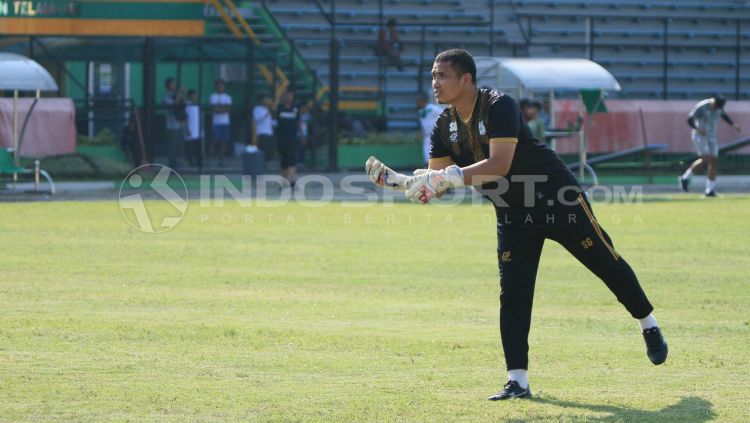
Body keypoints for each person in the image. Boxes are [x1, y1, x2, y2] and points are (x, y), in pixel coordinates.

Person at [365, 49, 667, 401]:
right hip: (512, 213)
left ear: (467, 79)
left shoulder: (499, 105)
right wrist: (407, 183)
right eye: (433, 76)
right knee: (514, 295)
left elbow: (499, 164)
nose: (435, 83)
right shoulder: (442, 125)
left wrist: (444, 178)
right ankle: (517, 381)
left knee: (605, 262)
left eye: (442, 75)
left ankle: (649, 325)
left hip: (557, 198)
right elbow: (442, 183)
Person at [679, 94, 741, 196]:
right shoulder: (703, 106)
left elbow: (723, 115)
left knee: (714, 161)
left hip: (712, 136)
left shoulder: (719, 107)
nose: (716, 108)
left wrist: (733, 124)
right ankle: (686, 178)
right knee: (707, 159)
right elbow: (690, 119)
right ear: (713, 101)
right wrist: (698, 128)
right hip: (700, 135)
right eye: (716, 106)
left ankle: (709, 190)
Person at [276, 89, 301, 187]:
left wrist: (301, 135)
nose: (289, 98)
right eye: (287, 95)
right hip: (282, 138)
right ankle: (285, 182)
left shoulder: (295, 109)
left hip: (292, 138)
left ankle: (290, 181)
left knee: (292, 160)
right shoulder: (279, 108)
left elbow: (298, 123)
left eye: (290, 96)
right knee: (284, 161)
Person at [162, 77, 185, 168]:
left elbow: (183, 104)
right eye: (172, 84)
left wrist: (182, 93)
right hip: (171, 124)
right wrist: (179, 94)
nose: (174, 86)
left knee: (179, 144)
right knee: (172, 145)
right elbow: (174, 104)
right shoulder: (166, 96)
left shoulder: (176, 95)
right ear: (168, 86)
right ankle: (171, 162)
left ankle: (177, 161)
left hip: (179, 123)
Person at [209, 79, 232, 166]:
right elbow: (215, 109)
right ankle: (210, 160)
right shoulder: (213, 96)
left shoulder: (228, 97)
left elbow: (229, 109)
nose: (220, 87)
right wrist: (223, 108)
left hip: (225, 123)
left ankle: (221, 161)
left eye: (221, 85)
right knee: (214, 141)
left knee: (223, 142)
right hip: (216, 123)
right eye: (218, 86)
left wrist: (220, 108)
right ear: (215, 87)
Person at [416, 92, 443, 165]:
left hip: (436, 135)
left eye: (418, 101)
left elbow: (444, 114)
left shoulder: (432, 108)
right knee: (427, 156)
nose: (417, 103)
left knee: (436, 155)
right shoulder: (420, 112)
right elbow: (423, 124)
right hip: (427, 137)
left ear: (422, 101)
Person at [253, 94, 276, 163]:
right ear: (261, 100)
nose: (266, 101)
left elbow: (271, 122)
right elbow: (257, 119)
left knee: (269, 151)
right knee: (262, 151)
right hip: (261, 133)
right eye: (264, 99)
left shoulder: (267, 109)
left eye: (267, 99)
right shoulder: (257, 109)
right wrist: (266, 114)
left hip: (269, 133)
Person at [184, 89, 202, 172]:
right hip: (190, 129)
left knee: (196, 146)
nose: (195, 97)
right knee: (189, 146)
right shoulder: (187, 106)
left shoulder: (197, 105)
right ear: (189, 96)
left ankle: (198, 161)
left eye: (195, 95)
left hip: (197, 129)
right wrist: (187, 128)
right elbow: (186, 118)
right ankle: (190, 161)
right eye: (193, 95)